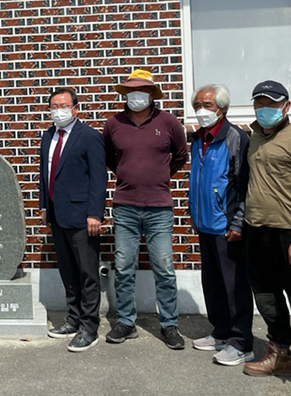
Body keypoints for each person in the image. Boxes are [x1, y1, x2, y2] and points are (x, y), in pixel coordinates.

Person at [241, 80, 291, 396]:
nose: (265, 109)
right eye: (260, 103)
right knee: (266, 297)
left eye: (272, 104)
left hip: (289, 233)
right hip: (256, 230)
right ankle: (280, 354)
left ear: (286, 106)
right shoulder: (252, 138)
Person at [102, 69, 188, 350]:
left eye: (142, 90)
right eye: (131, 91)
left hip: (159, 207)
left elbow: (180, 156)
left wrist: (159, 176)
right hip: (125, 207)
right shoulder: (113, 124)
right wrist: (129, 175)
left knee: (164, 268)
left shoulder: (169, 122)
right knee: (124, 266)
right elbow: (110, 158)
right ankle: (126, 322)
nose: (135, 95)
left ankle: (169, 324)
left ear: (152, 94)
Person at [187, 85, 254, 365]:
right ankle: (221, 332)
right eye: (197, 105)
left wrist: (238, 223)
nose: (201, 110)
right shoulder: (197, 139)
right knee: (212, 283)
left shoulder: (235, 138)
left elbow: (244, 184)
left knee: (234, 285)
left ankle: (241, 342)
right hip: (205, 223)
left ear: (222, 109)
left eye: (208, 105)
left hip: (227, 226)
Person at [39, 88, 106, 352]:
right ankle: (73, 319)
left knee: (87, 273)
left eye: (64, 105)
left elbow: (99, 178)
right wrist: (44, 205)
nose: (59, 111)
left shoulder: (90, 137)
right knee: (67, 271)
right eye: (54, 106)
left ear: (75, 108)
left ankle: (89, 328)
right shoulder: (48, 136)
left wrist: (95, 213)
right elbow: (45, 173)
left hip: (82, 217)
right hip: (57, 215)